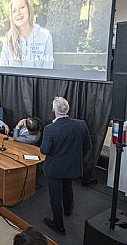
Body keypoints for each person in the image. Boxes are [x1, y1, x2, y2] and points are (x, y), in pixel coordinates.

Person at [40, 97, 92, 235]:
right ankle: (68, 210)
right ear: (67, 109)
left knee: (55, 196)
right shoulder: (81, 124)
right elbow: (87, 146)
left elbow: (44, 150)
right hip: (72, 167)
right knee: (68, 187)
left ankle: (59, 225)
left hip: (55, 169)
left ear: (53, 110)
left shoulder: (50, 129)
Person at [0, 0, 53, 68]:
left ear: (29, 9)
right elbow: (3, 70)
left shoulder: (45, 36)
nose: (18, 13)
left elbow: (48, 69)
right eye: (14, 11)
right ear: (11, 16)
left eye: (22, 7)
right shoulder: (8, 40)